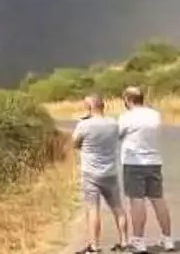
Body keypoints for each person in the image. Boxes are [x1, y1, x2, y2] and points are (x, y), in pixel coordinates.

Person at [118, 86, 175, 253]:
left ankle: (138, 240)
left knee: (137, 200)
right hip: (154, 161)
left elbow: (119, 135)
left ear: (128, 100)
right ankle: (167, 238)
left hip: (134, 162)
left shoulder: (126, 117)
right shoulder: (154, 115)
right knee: (158, 199)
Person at [72, 94, 128, 253]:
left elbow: (74, 143)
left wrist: (84, 121)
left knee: (93, 209)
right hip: (110, 171)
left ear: (89, 108)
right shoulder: (113, 123)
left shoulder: (84, 125)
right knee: (118, 207)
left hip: (91, 173)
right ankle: (124, 242)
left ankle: (94, 246)